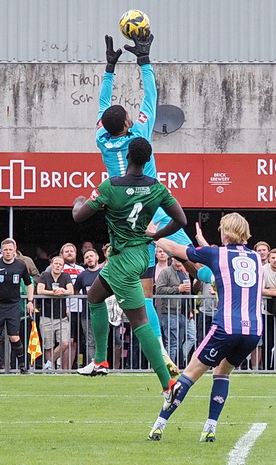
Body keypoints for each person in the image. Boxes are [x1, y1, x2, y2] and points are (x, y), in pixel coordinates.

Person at [97, 31, 193, 377]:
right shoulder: (139, 136)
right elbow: (150, 97)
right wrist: (143, 60)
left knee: (143, 291)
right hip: (149, 206)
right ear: (129, 123)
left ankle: (161, 351)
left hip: (123, 218)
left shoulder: (102, 139)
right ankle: (214, 282)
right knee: (195, 255)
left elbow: (102, 109)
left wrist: (109, 68)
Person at [72, 136, 187, 397]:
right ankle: (100, 360)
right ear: (147, 161)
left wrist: (79, 200)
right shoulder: (156, 187)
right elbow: (181, 219)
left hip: (124, 259)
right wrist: (156, 236)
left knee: (140, 322)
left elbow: (79, 215)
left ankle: (167, 384)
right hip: (135, 253)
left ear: (128, 157)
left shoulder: (111, 186)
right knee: (95, 295)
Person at [147, 212, 263, 442]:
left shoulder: (216, 253)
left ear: (226, 232)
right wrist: (203, 246)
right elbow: (209, 273)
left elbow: (176, 249)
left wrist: (153, 234)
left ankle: (159, 425)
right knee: (222, 373)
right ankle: (210, 428)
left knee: (189, 374)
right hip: (253, 331)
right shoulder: (255, 258)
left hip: (226, 326)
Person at [0, 238, 34, 374]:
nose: (8, 252)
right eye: (5, 250)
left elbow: (29, 283)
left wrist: (30, 300)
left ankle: (22, 367)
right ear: (1, 251)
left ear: (14, 251)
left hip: (14, 305)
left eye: (10, 249)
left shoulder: (21, 265)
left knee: (14, 336)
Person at [36, 255, 74, 371]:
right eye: (56, 263)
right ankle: (50, 370)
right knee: (48, 346)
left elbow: (71, 291)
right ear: (51, 264)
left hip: (61, 316)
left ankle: (48, 363)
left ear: (63, 267)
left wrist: (63, 291)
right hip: (46, 316)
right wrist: (54, 292)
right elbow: (40, 290)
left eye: (60, 264)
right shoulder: (44, 275)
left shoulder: (65, 276)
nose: (58, 266)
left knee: (65, 343)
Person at [155, 257, 192, 367]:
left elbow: (187, 294)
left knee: (179, 342)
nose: (179, 260)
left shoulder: (184, 274)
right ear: (172, 258)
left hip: (183, 313)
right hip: (169, 312)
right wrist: (177, 289)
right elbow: (159, 289)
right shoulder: (165, 272)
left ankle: (178, 365)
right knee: (172, 343)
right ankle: (169, 367)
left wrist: (189, 310)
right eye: (177, 258)